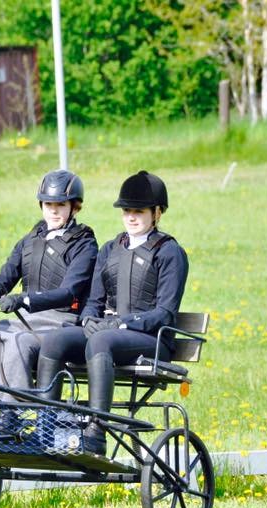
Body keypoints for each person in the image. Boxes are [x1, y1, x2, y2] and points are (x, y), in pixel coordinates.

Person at [35, 170, 188, 454]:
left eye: (139, 211)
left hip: (151, 339)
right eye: (127, 211)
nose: (131, 217)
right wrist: (89, 320)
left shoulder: (169, 253)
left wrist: (121, 324)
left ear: (157, 213)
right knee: (55, 340)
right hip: (108, 333)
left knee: (100, 341)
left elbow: (165, 312)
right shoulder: (109, 249)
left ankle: (97, 432)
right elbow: (95, 301)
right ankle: (44, 429)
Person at [0, 169, 98, 400]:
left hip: (61, 323)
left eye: (60, 205)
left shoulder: (84, 244)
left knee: (18, 342)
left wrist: (24, 299)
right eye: (48, 204)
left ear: (74, 207)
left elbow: (69, 293)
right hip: (25, 319)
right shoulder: (31, 240)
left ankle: (11, 411)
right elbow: (5, 279)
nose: (53, 210)